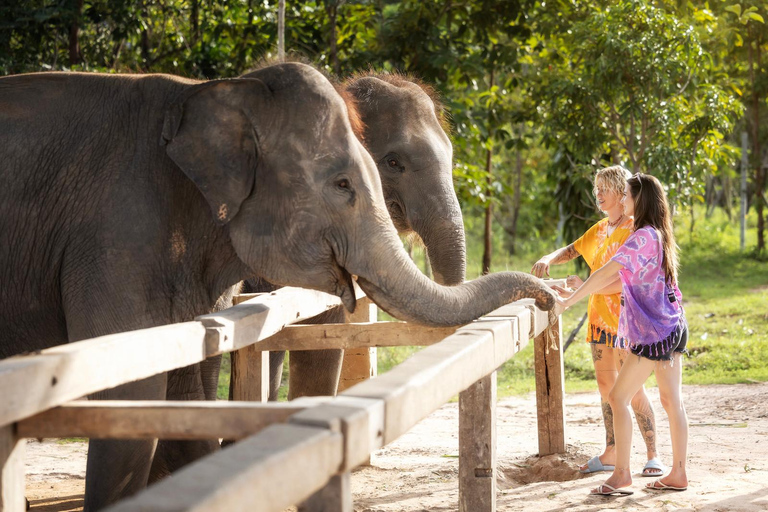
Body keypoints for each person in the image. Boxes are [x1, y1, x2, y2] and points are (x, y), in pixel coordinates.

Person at [555, 172, 689, 496]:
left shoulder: (642, 236)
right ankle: (678, 474)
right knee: (672, 401)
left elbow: (606, 272)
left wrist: (569, 301)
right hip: (672, 327)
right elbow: (620, 282)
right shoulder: (655, 234)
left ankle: (622, 475)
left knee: (617, 397)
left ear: (639, 200)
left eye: (627, 196)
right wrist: (584, 292)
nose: (624, 201)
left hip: (656, 335)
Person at [531, 166, 664, 477]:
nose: (598, 195)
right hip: (598, 322)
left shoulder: (635, 230)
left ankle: (653, 454)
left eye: (604, 188)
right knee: (606, 387)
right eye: (597, 189)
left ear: (622, 193)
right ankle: (611, 451)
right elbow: (573, 249)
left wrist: (586, 287)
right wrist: (549, 258)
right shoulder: (601, 228)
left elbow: (627, 281)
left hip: (628, 323)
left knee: (631, 390)